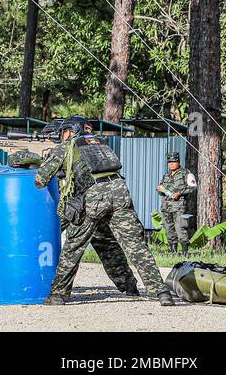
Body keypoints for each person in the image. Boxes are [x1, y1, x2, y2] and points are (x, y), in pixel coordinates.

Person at [35, 116, 173, 306]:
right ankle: (159, 292)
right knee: (133, 246)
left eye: (63, 131)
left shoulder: (65, 147)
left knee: (74, 246)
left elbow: (40, 180)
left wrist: (45, 162)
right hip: (120, 192)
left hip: (95, 198)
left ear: (71, 130)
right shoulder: (99, 143)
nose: (61, 135)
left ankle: (58, 294)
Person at [157, 150, 195, 256]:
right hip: (166, 206)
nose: (171, 164)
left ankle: (185, 251)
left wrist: (180, 193)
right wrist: (160, 190)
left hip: (179, 206)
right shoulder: (166, 175)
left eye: (174, 162)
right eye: (169, 162)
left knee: (180, 228)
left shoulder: (186, 174)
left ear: (178, 162)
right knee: (168, 228)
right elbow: (161, 189)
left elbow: (193, 188)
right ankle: (173, 251)